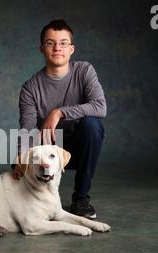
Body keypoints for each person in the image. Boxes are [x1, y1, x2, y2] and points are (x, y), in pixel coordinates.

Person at [13, 19, 107, 219]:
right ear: (42, 48)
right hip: (48, 151)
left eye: (63, 43)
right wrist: (19, 163)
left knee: (92, 125)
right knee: (23, 160)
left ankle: (81, 198)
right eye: (50, 43)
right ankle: (34, 197)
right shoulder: (30, 88)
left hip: (80, 149)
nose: (57, 48)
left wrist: (58, 112)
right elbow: (27, 129)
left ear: (71, 49)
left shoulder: (84, 71)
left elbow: (100, 106)